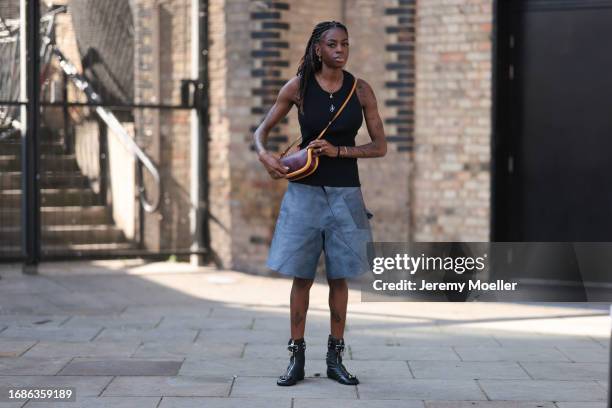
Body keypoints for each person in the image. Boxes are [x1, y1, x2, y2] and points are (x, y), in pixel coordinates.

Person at [253, 20, 387, 386]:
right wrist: (265, 155)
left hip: (347, 195)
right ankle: (296, 358)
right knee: (302, 277)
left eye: (345, 44)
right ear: (318, 48)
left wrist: (339, 150)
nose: (340, 50)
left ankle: (335, 358)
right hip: (304, 194)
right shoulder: (298, 87)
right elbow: (260, 132)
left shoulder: (361, 90)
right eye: (333, 44)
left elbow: (380, 146)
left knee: (340, 278)